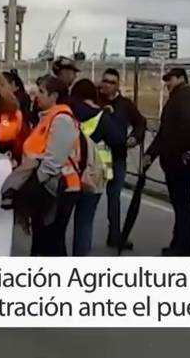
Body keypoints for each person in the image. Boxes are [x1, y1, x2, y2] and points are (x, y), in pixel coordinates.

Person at [144, 67, 190, 256]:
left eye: (170, 79)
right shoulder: (180, 97)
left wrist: (184, 152)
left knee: (182, 206)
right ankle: (180, 244)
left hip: (178, 162)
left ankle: (183, 246)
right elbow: (166, 132)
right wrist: (151, 154)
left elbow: (184, 129)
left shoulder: (184, 97)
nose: (167, 83)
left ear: (181, 78)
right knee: (180, 206)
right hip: (175, 160)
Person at [23, 76, 82, 256]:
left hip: (59, 187)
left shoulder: (61, 120)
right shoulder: (47, 118)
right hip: (50, 187)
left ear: (54, 96)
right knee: (44, 241)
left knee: (52, 242)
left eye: (41, 92)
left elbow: (54, 160)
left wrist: (35, 181)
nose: (36, 96)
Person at [69, 78, 125, 256]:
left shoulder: (66, 111)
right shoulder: (102, 116)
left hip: (68, 170)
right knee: (85, 221)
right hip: (94, 172)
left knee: (59, 221)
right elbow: (118, 139)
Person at [98, 67, 147, 250]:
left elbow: (141, 122)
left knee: (114, 196)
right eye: (105, 80)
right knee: (89, 196)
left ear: (118, 85)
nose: (107, 85)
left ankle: (115, 235)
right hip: (96, 156)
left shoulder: (125, 104)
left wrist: (135, 137)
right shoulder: (95, 100)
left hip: (117, 156)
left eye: (111, 82)